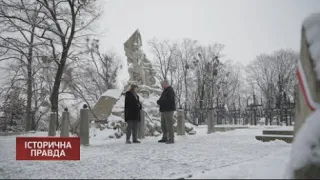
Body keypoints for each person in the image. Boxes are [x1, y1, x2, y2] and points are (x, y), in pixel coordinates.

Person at [157, 80, 176, 144]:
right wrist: (159, 101)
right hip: (163, 110)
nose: (161, 86)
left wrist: (160, 102)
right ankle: (165, 137)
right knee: (163, 125)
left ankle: (171, 138)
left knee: (169, 125)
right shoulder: (165, 91)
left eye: (162, 84)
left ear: (166, 84)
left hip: (168, 110)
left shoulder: (170, 90)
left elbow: (170, 100)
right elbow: (162, 99)